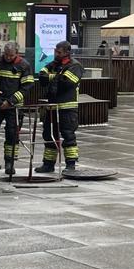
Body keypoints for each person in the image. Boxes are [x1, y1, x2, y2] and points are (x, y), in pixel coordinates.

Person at [0, 41, 35, 176]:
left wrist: (10, 102)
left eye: (11, 55)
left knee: (12, 135)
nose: (8, 58)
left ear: (17, 53)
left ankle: (10, 163)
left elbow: (27, 87)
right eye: (6, 55)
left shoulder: (24, 65)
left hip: (14, 107)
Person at [38, 40, 83, 174]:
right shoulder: (54, 64)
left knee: (68, 135)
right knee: (49, 135)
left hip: (67, 108)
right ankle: (48, 164)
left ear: (67, 52)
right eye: (55, 51)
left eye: (59, 52)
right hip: (52, 107)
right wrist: (56, 76)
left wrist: (52, 77)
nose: (56, 54)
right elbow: (41, 76)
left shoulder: (75, 66)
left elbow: (66, 83)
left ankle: (71, 164)